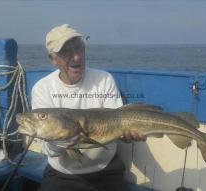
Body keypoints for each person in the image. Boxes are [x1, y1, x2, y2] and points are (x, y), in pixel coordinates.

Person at [31, 24, 146, 191]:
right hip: (63, 173)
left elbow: (118, 122)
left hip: (106, 170)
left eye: (79, 49)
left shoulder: (104, 79)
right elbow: (49, 149)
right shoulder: (42, 88)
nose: (76, 57)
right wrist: (58, 138)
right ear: (53, 59)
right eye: (66, 52)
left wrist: (126, 135)